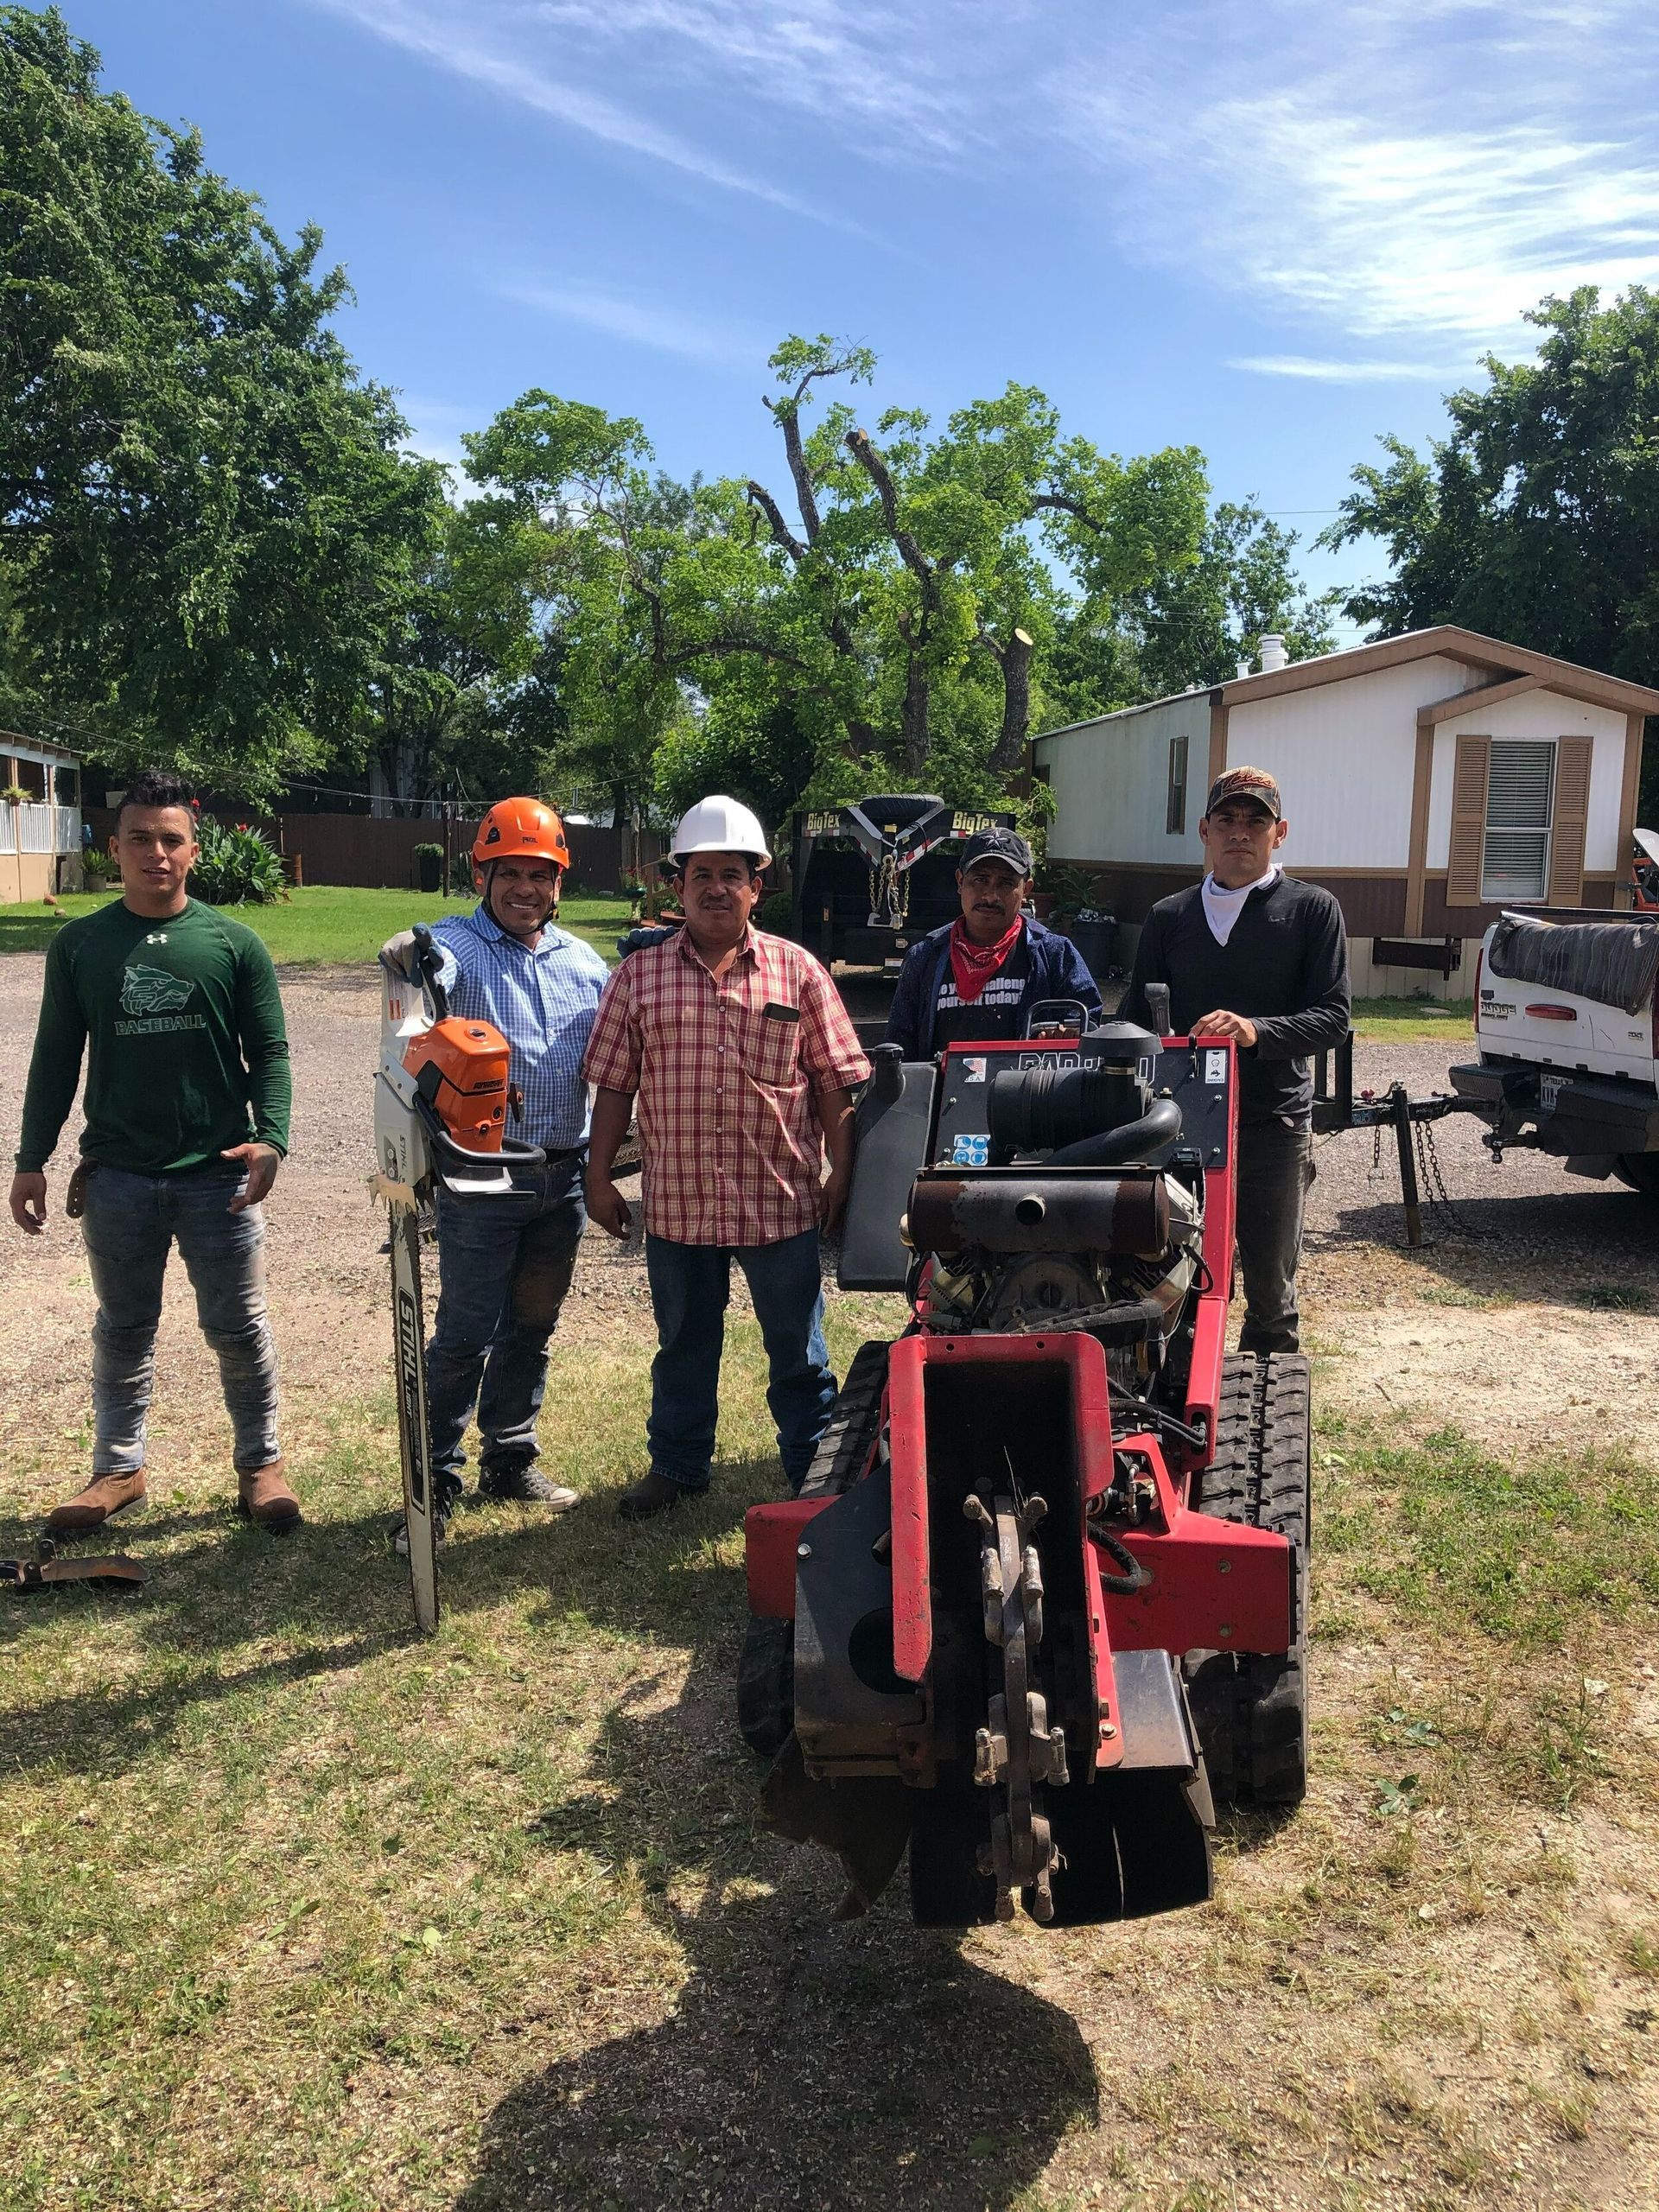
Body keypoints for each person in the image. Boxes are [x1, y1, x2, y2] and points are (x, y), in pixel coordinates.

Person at [10, 770, 298, 1533]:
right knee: (124, 1327)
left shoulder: (234, 943)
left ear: (194, 851)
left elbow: (269, 1050)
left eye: (171, 840)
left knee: (237, 1327)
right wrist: (30, 1157)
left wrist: (271, 1137)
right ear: (115, 849)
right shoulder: (80, 944)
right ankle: (118, 1468)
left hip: (217, 1175)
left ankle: (261, 1464)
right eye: (140, 839)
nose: (156, 853)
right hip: (118, 1178)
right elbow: (54, 1057)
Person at [582, 796, 870, 1520]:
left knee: (800, 1357)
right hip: (678, 1204)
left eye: (731, 874)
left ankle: (814, 1472)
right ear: (676, 886)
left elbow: (836, 1084)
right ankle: (677, 1465)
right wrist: (597, 1178)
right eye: (701, 873)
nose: (716, 887)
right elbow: (615, 1086)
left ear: (756, 886)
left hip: (780, 1202)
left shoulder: (798, 973)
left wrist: (845, 1172)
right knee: (682, 1344)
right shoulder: (638, 979)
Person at [379, 798, 608, 1542]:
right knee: (467, 1329)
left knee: (533, 1326)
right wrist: (400, 955)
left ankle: (508, 1456)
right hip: (479, 1177)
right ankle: (435, 1474)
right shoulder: (451, 949)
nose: (525, 889)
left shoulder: (585, 963)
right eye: (508, 872)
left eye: (540, 876)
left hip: (562, 1175)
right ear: (482, 873)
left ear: (558, 884)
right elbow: (407, 977)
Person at [1120, 766, 1350, 1355]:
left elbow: (1332, 1018)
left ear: (1281, 832)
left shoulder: (1312, 910)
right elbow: (1135, 1021)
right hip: (1179, 1128)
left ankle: (1269, 1412)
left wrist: (1255, 1030)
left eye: (1256, 821)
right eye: (1227, 819)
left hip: (1272, 1125)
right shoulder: (1170, 916)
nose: (1240, 832)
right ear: (1204, 830)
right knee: (1172, 1279)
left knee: (1271, 1295)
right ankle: (1181, 1405)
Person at [883, 827, 1102, 1058]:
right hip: (943, 1092)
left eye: (1006, 883)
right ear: (960, 882)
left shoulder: (1054, 954)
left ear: (1026, 889)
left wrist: (1066, 1034)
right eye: (980, 880)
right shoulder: (926, 957)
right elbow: (899, 1047)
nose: (990, 896)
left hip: (1028, 1091)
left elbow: (1088, 1022)